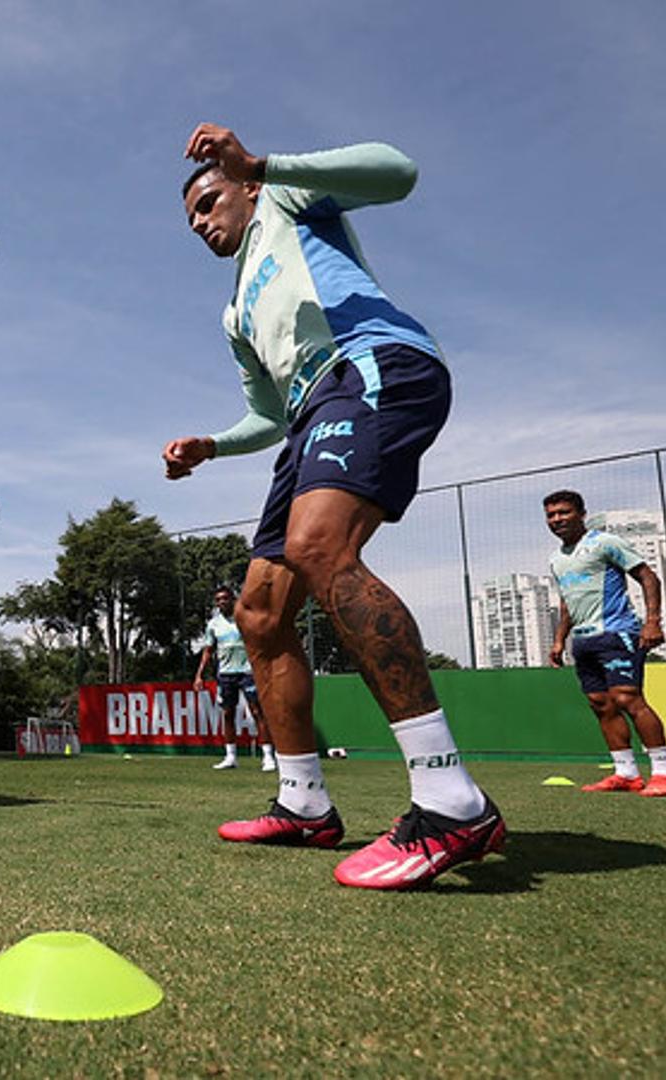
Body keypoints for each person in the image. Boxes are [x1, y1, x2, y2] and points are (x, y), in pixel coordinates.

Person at [162, 124, 504, 889]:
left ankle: (452, 802)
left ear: (246, 187)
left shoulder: (287, 198)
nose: (199, 221)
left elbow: (400, 171)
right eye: (189, 218)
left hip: (375, 364)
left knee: (321, 551)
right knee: (258, 611)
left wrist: (266, 162)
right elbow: (268, 416)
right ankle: (304, 801)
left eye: (209, 201)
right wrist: (211, 445)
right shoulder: (235, 315)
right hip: (312, 412)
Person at [543, 490, 666, 797]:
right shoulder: (557, 559)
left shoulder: (605, 543)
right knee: (600, 704)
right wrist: (558, 640)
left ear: (581, 514)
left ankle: (665, 774)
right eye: (551, 515)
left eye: (564, 512)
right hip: (582, 641)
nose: (557, 519)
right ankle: (626, 773)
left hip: (617, 633)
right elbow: (567, 603)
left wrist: (652, 622)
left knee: (627, 699)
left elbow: (649, 577)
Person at [193, 584, 276, 771]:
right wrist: (199, 675)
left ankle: (268, 756)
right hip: (225, 674)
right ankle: (231, 757)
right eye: (218, 600)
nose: (221, 602)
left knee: (257, 712)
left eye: (225, 598)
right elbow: (208, 650)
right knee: (228, 714)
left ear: (233, 599)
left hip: (248, 672)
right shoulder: (213, 624)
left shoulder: (245, 619)